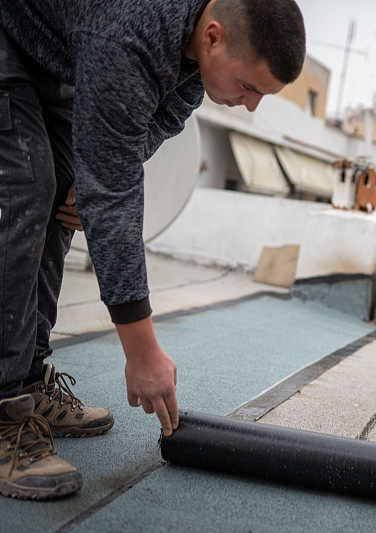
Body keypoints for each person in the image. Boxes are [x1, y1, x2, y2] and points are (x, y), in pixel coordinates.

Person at [0, 0, 305, 499]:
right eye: (249, 87)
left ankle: (27, 377)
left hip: (59, 50)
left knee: (64, 191)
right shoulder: (131, 35)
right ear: (212, 36)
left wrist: (95, 174)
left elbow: (161, 117)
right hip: (10, 33)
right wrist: (142, 354)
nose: (251, 106)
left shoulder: (190, 49)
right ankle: (2, 408)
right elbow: (115, 201)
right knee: (25, 189)